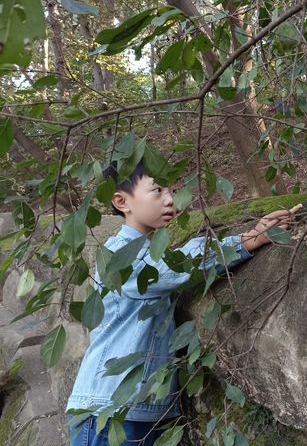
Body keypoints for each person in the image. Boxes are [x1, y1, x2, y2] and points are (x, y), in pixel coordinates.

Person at [66, 161, 292, 445]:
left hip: (138, 413)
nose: (170, 199)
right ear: (121, 201)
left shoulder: (146, 252)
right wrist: (246, 241)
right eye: (157, 190)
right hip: (108, 412)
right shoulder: (119, 256)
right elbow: (175, 268)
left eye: (172, 190)